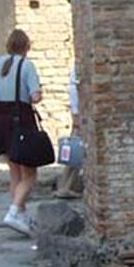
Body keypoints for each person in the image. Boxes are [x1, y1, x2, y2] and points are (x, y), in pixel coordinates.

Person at [0, 29, 43, 236]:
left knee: (14, 171)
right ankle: (14, 211)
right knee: (30, 173)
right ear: (27, 46)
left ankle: (22, 216)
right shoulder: (27, 66)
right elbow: (35, 96)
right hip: (20, 121)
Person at [54, 65, 83, 199]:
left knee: (75, 153)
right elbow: (74, 94)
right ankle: (66, 186)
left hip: (80, 116)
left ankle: (65, 185)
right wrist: (76, 117)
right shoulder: (76, 78)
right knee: (76, 153)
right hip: (80, 118)